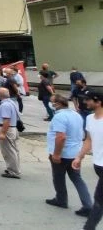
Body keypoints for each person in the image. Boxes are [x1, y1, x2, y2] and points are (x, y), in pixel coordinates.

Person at [46, 94, 92, 216]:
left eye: (52, 102)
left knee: (58, 177)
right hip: (75, 153)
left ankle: (61, 200)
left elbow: (61, 137)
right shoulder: (76, 115)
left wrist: (56, 154)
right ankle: (88, 205)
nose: (50, 104)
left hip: (63, 153)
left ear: (58, 104)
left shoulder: (59, 117)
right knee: (77, 178)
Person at [73, 89, 103, 229]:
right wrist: (79, 156)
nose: (85, 102)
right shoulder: (90, 118)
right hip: (97, 164)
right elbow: (89, 140)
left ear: (98, 102)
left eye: (88, 99)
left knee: (99, 200)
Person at [0, 88, 21, 179]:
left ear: (0, 95)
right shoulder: (11, 103)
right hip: (13, 128)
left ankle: (13, 171)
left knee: (9, 151)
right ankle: (14, 168)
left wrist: (3, 132)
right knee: (14, 150)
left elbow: (6, 120)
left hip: (7, 129)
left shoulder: (5, 105)